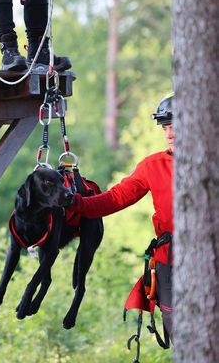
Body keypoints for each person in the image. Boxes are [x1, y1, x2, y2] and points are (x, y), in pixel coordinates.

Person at [71, 94, 175, 340]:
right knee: (178, 327)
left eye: (175, 126)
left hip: (209, 253)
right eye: (166, 127)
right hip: (169, 258)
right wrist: (76, 204)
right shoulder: (152, 166)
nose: (169, 133)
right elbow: (116, 197)